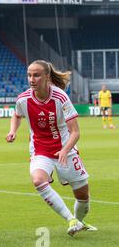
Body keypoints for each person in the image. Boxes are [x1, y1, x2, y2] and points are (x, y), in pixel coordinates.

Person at [6, 60, 97, 237]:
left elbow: (75, 132)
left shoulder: (61, 97)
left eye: (36, 75)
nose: (32, 79)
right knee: (38, 180)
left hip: (66, 149)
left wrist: (64, 150)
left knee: (83, 197)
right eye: (29, 75)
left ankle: (79, 221)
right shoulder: (23, 99)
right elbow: (16, 116)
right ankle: (71, 220)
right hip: (40, 150)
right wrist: (12, 131)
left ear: (47, 76)